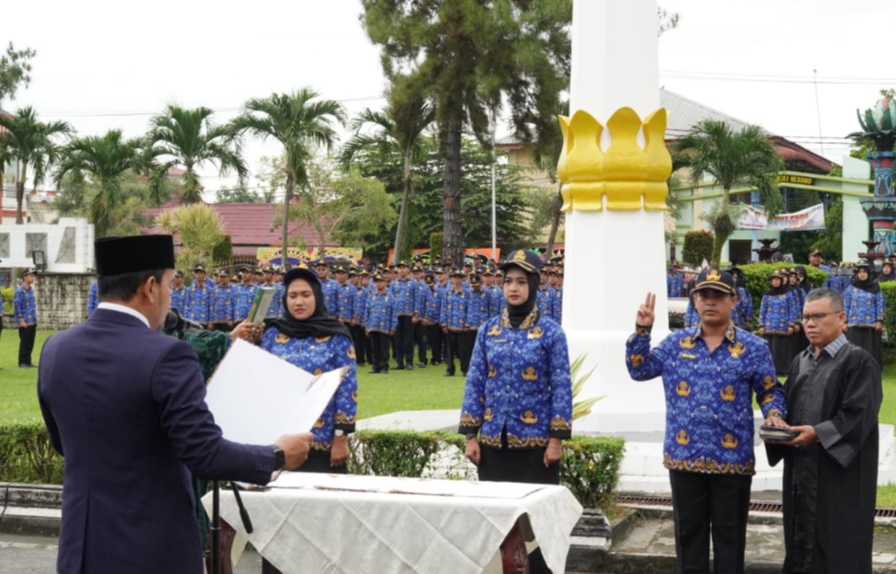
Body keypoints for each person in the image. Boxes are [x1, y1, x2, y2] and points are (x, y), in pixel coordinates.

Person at [37, 235, 313, 574]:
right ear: (150, 287)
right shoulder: (167, 354)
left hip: (81, 546)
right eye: (170, 285)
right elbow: (204, 453)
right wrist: (276, 455)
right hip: (151, 547)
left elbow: (64, 444)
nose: (171, 297)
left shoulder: (55, 349)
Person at [626, 269, 788, 574]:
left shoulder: (753, 348)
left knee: (730, 538)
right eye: (703, 295)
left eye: (718, 296)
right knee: (689, 539)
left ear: (734, 300)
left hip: (732, 459)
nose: (710, 302)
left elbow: (769, 390)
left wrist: (775, 414)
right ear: (694, 301)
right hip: (684, 457)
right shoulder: (675, 344)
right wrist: (642, 331)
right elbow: (640, 370)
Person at [459, 249, 571, 574]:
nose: (513, 288)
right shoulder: (488, 331)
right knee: (497, 526)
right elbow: (475, 382)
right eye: (508, 281)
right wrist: (471, 435)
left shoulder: (551, 333)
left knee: (535, 530)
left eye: (521, 282)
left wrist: (556, 440)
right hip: (493, 445)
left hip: (535, 448)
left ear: (534, 285)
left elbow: (561, 387)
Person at [766, 288, 882, 574]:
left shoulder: (858, 361)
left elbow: (859, 415)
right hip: (801, 472)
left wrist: (817, 433)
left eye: (819, 316)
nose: (810, 323)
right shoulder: (800, 361)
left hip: (838, 477)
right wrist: (777, 423)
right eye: (806, 317)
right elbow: (788, 407)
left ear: (842, 318)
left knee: (838, 545)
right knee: (800, 542)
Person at [843, 259, 884, 367]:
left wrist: (879, 320)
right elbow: (846, 305)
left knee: (870, 351)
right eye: (859, 272)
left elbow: (880, 304)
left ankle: (871, 369)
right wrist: (844, 322)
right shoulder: (850, 289)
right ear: (856, 274)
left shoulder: (875, 288)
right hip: (853, 324)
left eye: (864, 272)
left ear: (869, 273)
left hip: (871, 325)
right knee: (853, 351)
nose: (862, 274)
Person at [760, 269, 796, 375]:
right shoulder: (767, 295)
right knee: (771, 348)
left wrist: (791, 325)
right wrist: (761, 325)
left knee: (782, 348)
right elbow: (762, 310)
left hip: (783, 326)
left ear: (781, 281)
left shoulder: (787, 294)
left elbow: (792, 309)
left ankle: (783, 369)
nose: (775, 282)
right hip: (769, 326)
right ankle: (771, 369)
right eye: (773, 279)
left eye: (777, 279)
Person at [365, 272, 397, 374]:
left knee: (384, 348)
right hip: (373, 325)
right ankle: (375, 366)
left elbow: (394, 313)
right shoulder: (371, 297)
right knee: (374, 348)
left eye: (380, 282)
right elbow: (367, 312)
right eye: (376, 282)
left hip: (385, 326)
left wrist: (393, 327)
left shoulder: (390, 297)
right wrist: (367, 326)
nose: (378, 284)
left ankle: (384, 366)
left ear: (385, 283)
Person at [441, 268, 469, 377]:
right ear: (451, 279)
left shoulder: (467, 293)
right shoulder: (447, 293)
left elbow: (469, 309)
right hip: (450, 325)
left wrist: (467, 323)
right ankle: (450, 369)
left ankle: (465, 369)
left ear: (462, 280)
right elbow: (443, 309)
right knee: (449, 350)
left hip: (462, 326)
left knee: (463, 351)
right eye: (455, 278)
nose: (457, 280)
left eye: (459, 278)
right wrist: (443, 323)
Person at [14, 268, 38, 368]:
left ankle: (28, 361)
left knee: (30, 342)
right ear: (25, 277)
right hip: (24, 321)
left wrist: (35, 319)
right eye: (30, 275)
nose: (32, 278)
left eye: (33, 276)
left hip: (32, 320)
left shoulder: (31, 290)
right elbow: (17, 305)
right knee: (25, 342)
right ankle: (22, 361)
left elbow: (32, 306)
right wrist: (21, 319)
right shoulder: (20, 291)